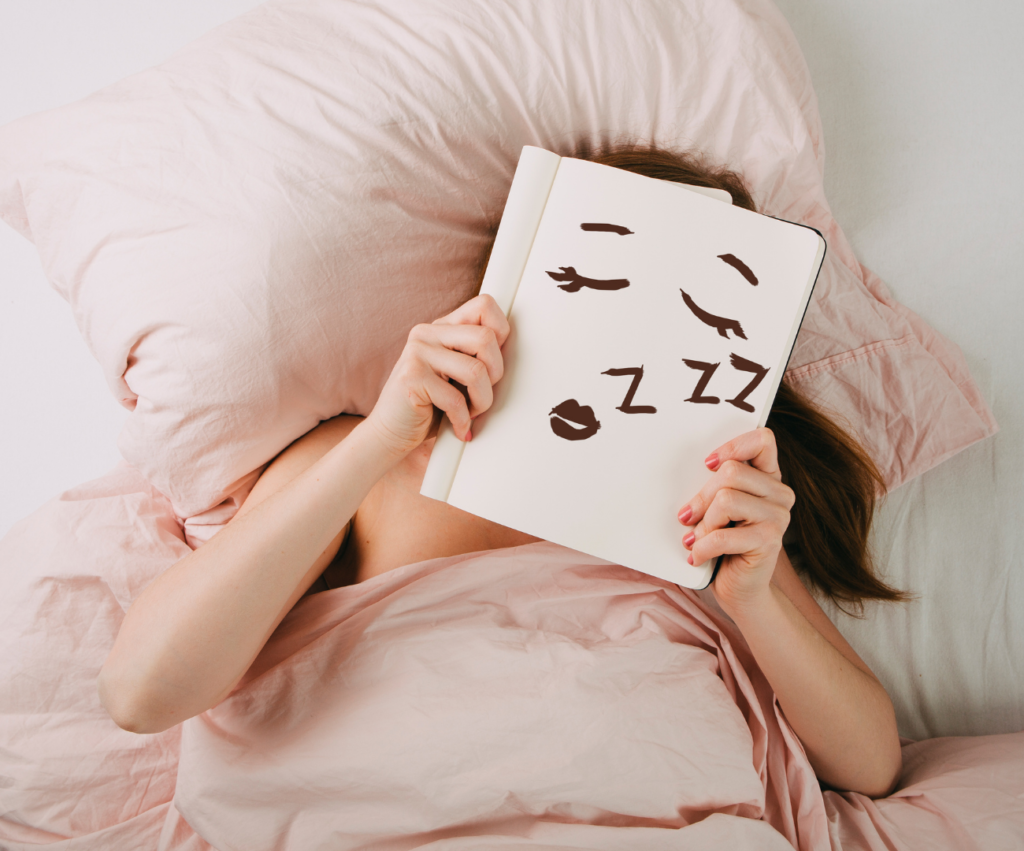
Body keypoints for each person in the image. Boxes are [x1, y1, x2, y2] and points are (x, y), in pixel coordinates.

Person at [98, 147, 909, 800]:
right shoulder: (368, 460)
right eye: (595, 282)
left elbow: (871, 763)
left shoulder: (705, 507)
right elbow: (142, 691)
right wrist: (380, 440)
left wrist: (754, 596)